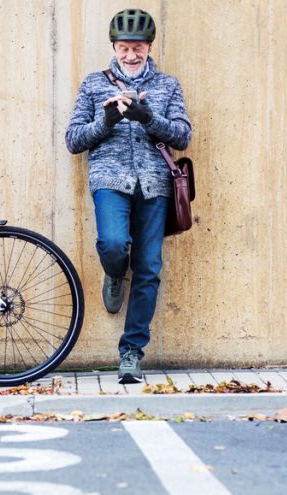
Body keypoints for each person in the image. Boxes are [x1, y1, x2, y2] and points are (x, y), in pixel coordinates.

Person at [65, 8, 192, 384]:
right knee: (115, 245)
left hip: (155, 185)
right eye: (124, 48)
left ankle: (131, 352)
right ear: (114, 47)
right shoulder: (93, 84)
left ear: (149, 47)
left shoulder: (168, 86)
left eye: (138, 48)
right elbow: (73, 140)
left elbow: (183, 136)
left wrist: (147, 117)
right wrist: (109, 119)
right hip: (110, 181)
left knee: (150, 268)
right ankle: (115, 273)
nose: (131, 55)